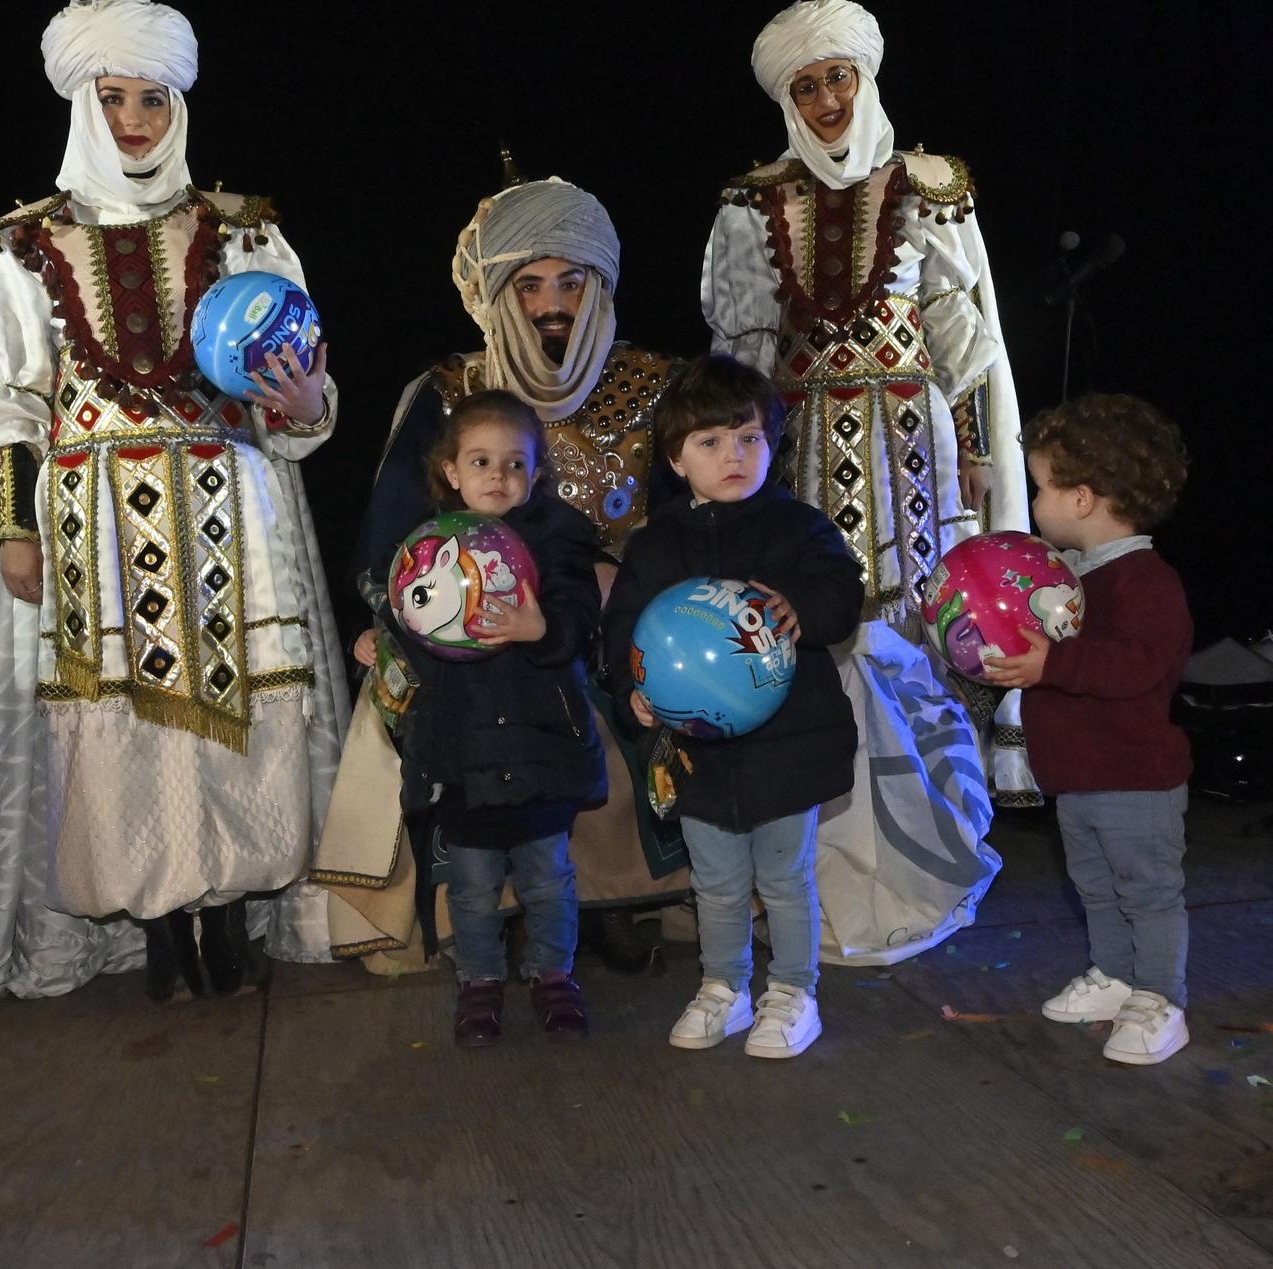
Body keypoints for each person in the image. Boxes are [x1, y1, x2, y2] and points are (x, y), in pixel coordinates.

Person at [0, 0, 350, 1022]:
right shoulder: (16, 247)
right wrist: (12, 524)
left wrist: (306, 399)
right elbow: (12, 397)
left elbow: (296, 376)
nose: (137, 118)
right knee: (117, 726)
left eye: (154, 97)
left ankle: (230, 917)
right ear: (81, 108)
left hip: (230, 499)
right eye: (115, 98)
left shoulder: (244, 232)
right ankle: (155, 931)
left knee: (244, 714)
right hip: (89, 518)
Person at [701, 0, 1029, 968]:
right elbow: (740, 352)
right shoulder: (751, 202)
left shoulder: (929, 186)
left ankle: (927, 864)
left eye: (836, 76)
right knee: (815, 647)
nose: (825, 96)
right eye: (806, 84)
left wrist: (974, 456)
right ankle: (821, 875)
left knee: (911, 648)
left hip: (912, 449)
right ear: (786, 98)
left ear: (864, 78)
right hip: (799, 451)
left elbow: (965, 343)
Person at [312, 178, 683, 973]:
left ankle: (615, 894)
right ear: (496, 293)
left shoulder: (659, 383)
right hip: (472, 632)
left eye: (572, 281)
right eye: (530, 284)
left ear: (601, 285)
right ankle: (496, 908)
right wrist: (401, 615)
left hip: (620, 621)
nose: (553, 304)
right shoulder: (447, 392)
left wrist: (629, 577)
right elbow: (390, 542)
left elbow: (696, 516)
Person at [604, 356, 863, 1059]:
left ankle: (793, 992)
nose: (734, 455)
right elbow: (621, 630)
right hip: (700, 752)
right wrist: (635, 694)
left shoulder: (799, 529)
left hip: (788, 745)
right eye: (711, 443)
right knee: (716, 882)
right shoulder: (657, 545)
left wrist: (802, 610)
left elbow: (843, 597)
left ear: (773, 444)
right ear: (676, 458)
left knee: (784, 878)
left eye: (750, 438)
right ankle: (724, 987)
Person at [354, 391, 607, 1044]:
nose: (499, 475)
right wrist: (380, 640)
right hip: (461, 752)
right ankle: (480, 980)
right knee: (470, 887)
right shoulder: (430, 549)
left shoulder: (556, 545)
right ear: (451, 472)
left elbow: (581, 623)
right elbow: (414, 619)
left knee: (548, 879)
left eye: (515, 464)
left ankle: (554, 974)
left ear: (537, 475)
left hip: (541, 748)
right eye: (482, 460)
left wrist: (542, 625)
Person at [985, 394, 1194, 1065]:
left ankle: (1161, 997)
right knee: (1096, 888)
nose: (1036, 500)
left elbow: (1139, 663)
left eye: (1042, 486)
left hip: (1135, 779)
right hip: (1076, 777)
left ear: (1081, 499)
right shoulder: (1069, 575)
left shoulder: (1145, 580)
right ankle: (1115, 975)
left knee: (1148, 893)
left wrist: (1055, 660)